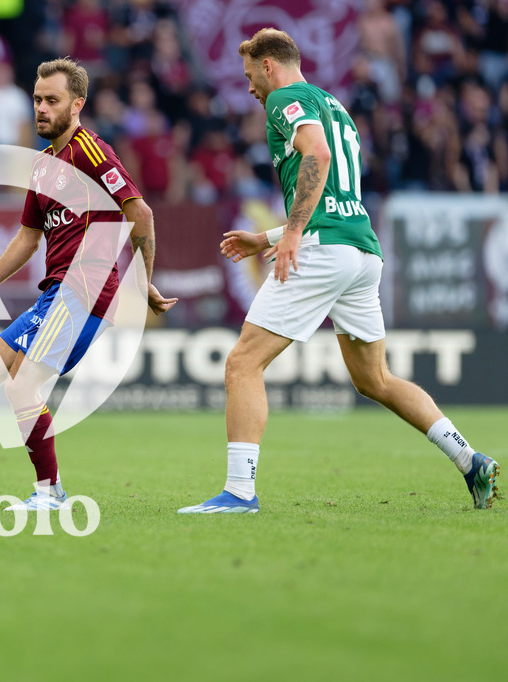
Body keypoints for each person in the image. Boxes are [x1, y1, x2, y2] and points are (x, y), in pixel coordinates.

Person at [178, 28, 499, 514]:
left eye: (249, 76)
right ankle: (470, 460)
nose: (249, 88)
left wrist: (291, 233)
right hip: (361, 252)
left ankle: (239, 493)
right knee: (375, 380)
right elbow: (334, 191)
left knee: (243, 364)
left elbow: (318, 155)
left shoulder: (283, 98)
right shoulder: (334, 105)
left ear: (269, 66)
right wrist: (266, 237)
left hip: (322, 250)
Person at [0, 57, 177, 510]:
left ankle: (47, 492)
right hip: (58, 292)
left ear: (77, 104)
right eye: (37, 100)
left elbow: (140, 212)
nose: (41, 108)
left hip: (84, 290)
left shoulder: (90, 152)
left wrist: (144, 280)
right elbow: (28, 238)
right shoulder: (44, 164)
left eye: (52, 100)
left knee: (19, 384)